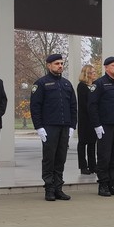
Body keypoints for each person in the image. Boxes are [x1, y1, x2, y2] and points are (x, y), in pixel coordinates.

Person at [30, 52, 77, 201]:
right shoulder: (41, 83)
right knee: (49, 158)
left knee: (60, 158)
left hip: (64, 126)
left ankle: (58, 188)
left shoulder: (67, 84)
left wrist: (72, 126)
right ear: (49, 65)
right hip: (49, 127)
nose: (60, 66)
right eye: (57, 64)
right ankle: (49, 188)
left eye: (62, 63)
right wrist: (39, 127)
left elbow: (73, 106)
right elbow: (35, 107)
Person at [88, 56, 114, 197]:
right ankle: (103, 184)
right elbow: (92, 106)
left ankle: (113, 183)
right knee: (104, 156)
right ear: (106, 68)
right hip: (105, 125)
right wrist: (97, 125)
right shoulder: (99, 84)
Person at [76, 63, 98, 175]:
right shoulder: (82, 86)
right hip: (85, 119)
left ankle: (93, 165)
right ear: (88, 74)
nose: (95, 74)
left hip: (93, 118)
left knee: (92, 143)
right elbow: (85, 103)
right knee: (83, 142)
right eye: (93, 72)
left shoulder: (94, 86)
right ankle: (83, 166)